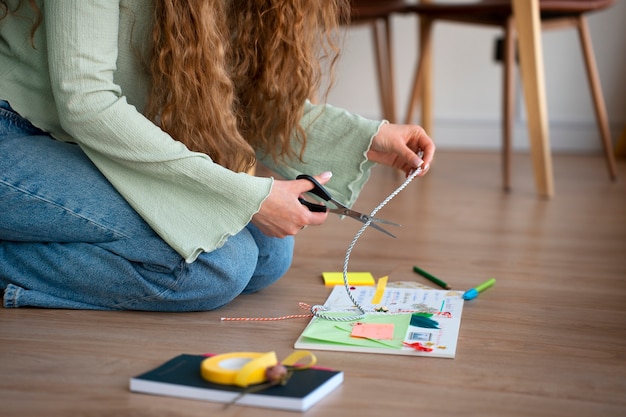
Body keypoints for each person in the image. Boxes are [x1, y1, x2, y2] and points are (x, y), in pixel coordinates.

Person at [0, 1, 435, 311]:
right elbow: (87, 104)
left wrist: (370, 137)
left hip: (73, 143)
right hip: (15, 133)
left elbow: (232, 98)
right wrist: (244, 196)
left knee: (268, 256)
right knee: (219, 267)